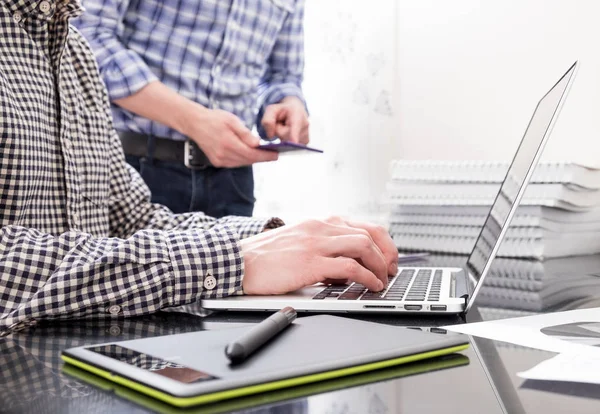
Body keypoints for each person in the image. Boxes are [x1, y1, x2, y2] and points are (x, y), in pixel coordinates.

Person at [0, 0, 397, 336]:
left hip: (230, 178)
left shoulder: (74, 56)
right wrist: (234, 259)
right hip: (154, 154)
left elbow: (132, 219)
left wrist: (285, 238)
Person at [73, 0, 310, 218]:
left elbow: (282, 76)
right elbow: (87, 34)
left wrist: (288, 102)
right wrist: (192, 121)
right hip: (131, 168)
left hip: (233, 183)